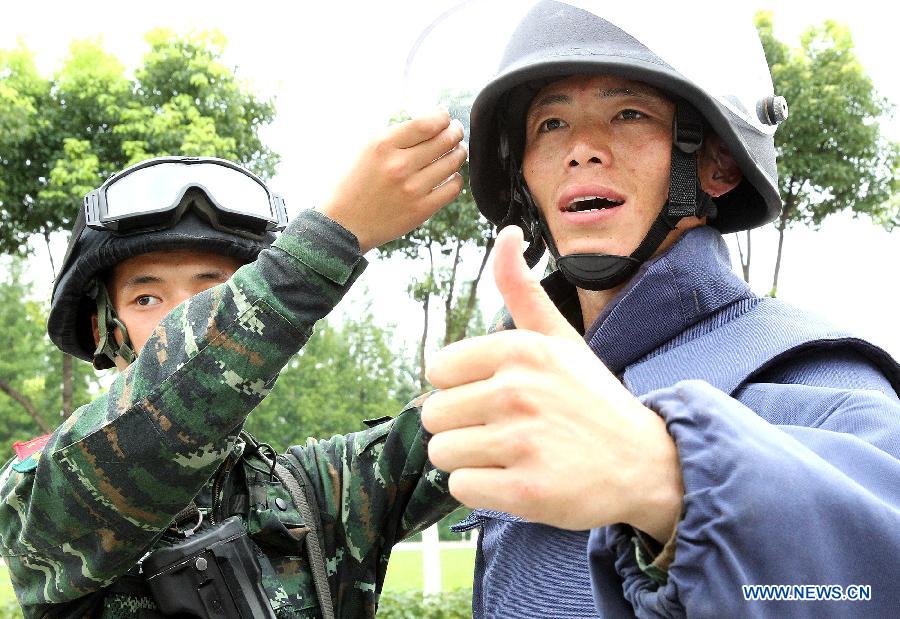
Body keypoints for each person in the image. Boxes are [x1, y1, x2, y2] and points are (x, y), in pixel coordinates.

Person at [420, 2, 900, 617]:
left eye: (628, 114)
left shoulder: (812, 375)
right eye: (550, 125)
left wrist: (673, 482)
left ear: (719, 162)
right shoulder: (517, 386)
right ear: (522, 176)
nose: (582, 149)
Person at [0, 110, 466, 617]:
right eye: (146, 299)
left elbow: (502, 398)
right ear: (103, 331)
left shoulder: (321, 494)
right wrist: (332, 238)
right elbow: (163, 404)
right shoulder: (41, 495)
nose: (184, 319)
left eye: (213, 292)